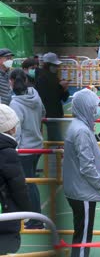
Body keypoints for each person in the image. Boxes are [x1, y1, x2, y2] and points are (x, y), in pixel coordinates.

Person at [62, 89, 100, 257]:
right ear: (87, 107)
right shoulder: (82, 131)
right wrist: (99, 184)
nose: (98, 109)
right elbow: (86, 166)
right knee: (83, 237)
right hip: (83, 192)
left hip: (78, 189)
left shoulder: (79, 126)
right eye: (96, 106)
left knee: (81, 233)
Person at [8, 69, 46, 229]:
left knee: (28, 184)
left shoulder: (15, 103)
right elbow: (43, 112)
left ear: (11, 81)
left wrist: (13, 147)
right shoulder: (34, 94)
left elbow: (16, 129)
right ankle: (33, 216)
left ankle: (35, 219)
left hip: (24, 149)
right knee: (30, 182)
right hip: (37, 144)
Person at [0, 104, 32, 255]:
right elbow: (18, 186)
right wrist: (26, 212)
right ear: (11, 128)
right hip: (4, 214)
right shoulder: (7, 153)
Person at [35, 52, 70, 142]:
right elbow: (47, 97)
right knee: (56, 140)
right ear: (47, 65)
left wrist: (64, 89)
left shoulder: (54, 77)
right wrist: (60, 87)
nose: (57, 68)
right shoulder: (41, 78)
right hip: (49, 114)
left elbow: (63, 98)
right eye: (54, 65)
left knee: (54, 140)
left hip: (56, 113)